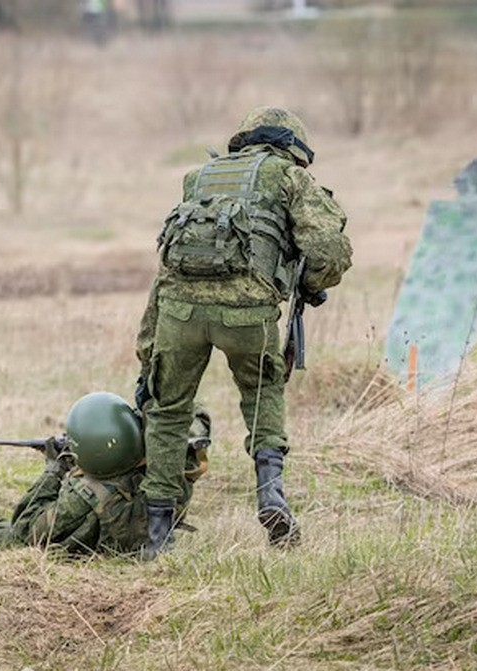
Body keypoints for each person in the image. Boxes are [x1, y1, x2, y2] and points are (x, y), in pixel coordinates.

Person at [135, 106, 353, 559]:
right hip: (247, 315)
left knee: (168, 412)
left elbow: (166, 264)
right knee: (261, 393)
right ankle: (270, 496)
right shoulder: (289, 178)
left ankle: (158, 535)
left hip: (179, 312)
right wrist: (310, 284)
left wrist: (147, 347)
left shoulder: (198, 178)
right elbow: (329, 249)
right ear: (292, 147)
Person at [0, 393, 211, 558]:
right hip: (142, 538)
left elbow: (25, 528)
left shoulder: (83, 497)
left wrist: (55, 469)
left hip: (90, 544)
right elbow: (195, 413)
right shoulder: (176, 467)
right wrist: (148, 420)